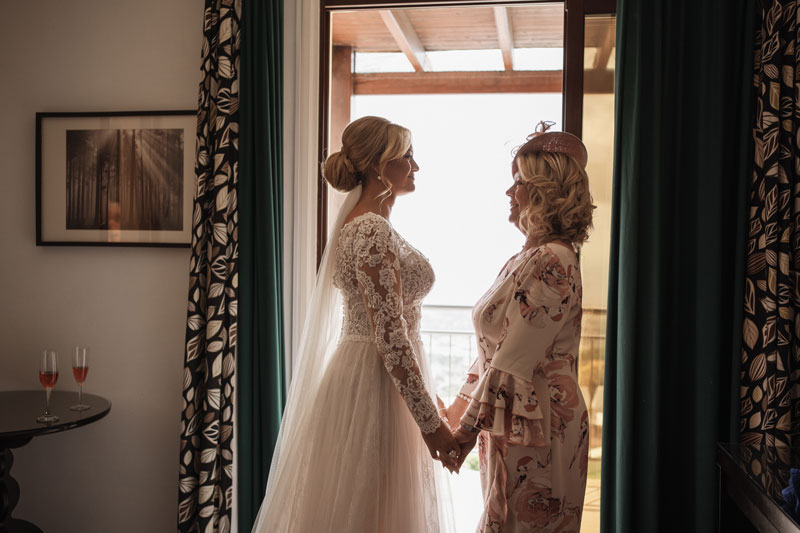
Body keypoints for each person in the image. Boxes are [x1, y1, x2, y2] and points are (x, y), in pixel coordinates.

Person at [252, 116, 458, 533]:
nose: (415, 167)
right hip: (374, 385)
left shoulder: (369, 226)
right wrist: (432, 428)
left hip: (374, 376)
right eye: (407, 157)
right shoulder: (371, 230)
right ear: (379, 165)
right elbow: (390, 336)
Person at [445, 122, 595, 532]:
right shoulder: (523, 259)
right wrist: (458, 411)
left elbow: (512, 360)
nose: (510, 193)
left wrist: (461, 434)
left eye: (518, 182)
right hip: (512, 420)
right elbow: (490, 355)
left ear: (544, 191)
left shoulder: (553, 260)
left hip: (542, 423)